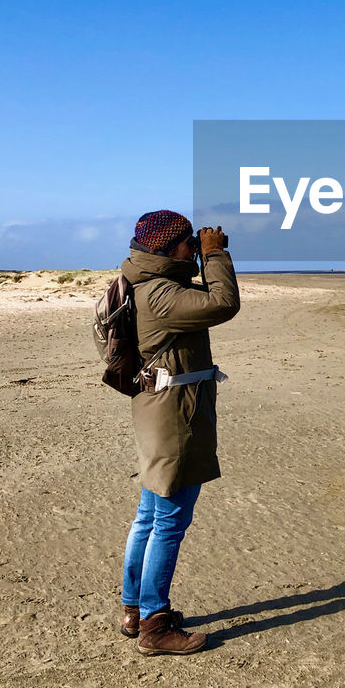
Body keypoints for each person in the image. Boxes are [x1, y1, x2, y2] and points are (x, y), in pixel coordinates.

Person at [117, 209, 240, 655]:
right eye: (189, 242)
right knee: (168, 521)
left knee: (149, 516)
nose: (195, 246)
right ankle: (154, 623)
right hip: (174, 416)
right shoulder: (162, 295)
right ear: (169, 250)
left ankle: (134, 609)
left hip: (157, 408)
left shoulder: (139, 282)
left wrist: (201, 255)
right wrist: (217, 254)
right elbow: (223, 303)